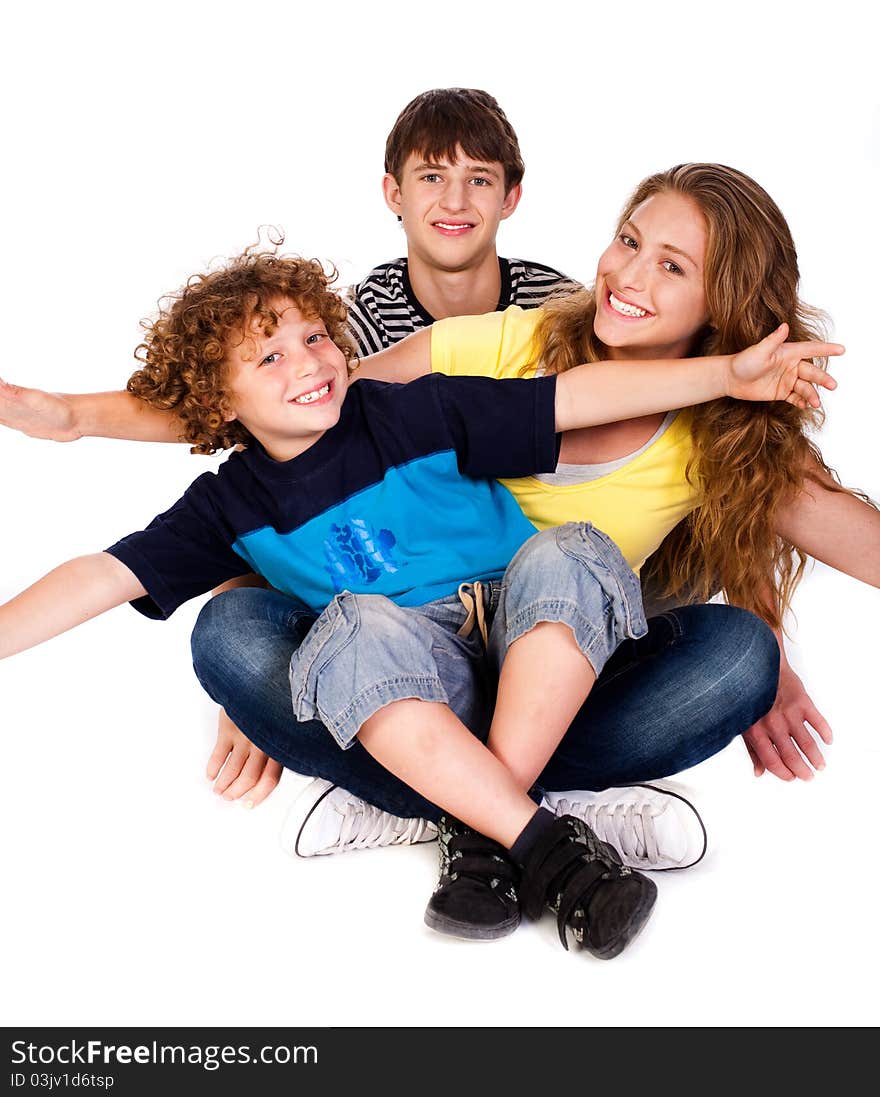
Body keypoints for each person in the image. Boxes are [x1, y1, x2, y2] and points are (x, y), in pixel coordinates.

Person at [0, 245, 834, 957]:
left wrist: (730, 373)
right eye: (270, 357)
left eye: (316, 335)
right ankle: (549, 843)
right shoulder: (227, 505)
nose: (310, 361)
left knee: (592, 560)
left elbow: (571, 399)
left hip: (535, 650)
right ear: (219, 406)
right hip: (411, 683)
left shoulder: (415, 408)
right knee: (281, 630)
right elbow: (99, 575)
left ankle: (467, 824)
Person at [344, 87, 578, 355]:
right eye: (432, 177)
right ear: (395, 194)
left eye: (479, 180)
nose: (455, 203)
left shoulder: (558, 307)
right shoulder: (365, 317)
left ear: (508, 199)